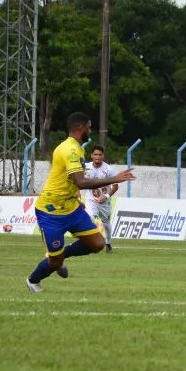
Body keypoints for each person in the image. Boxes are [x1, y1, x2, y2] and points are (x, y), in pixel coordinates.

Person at [26, 112, 134, 293]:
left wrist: (75, 197)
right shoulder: (70, 150)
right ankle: (33, 280)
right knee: (55, 262)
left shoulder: (77, 148)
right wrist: (114, 179)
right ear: (80, 127)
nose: (90, 130)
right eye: (89, 127)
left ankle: (61, 254)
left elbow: (71, 180)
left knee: (97, 244)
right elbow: (81, 182)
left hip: (71, 208)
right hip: (51, 211)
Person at [83, 145, 120, 253]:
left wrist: (106, 196)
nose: (97, 157)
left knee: (106, 224)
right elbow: (78, 181)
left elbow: (115, 186)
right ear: (91, 155)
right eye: (95, 154)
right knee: (89, 218)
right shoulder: (86, 167)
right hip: (91, 200)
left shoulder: (109, 169)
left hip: (105, 202)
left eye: (100, 155)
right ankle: (90, 243)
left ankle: (108, 243)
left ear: (103, 156)